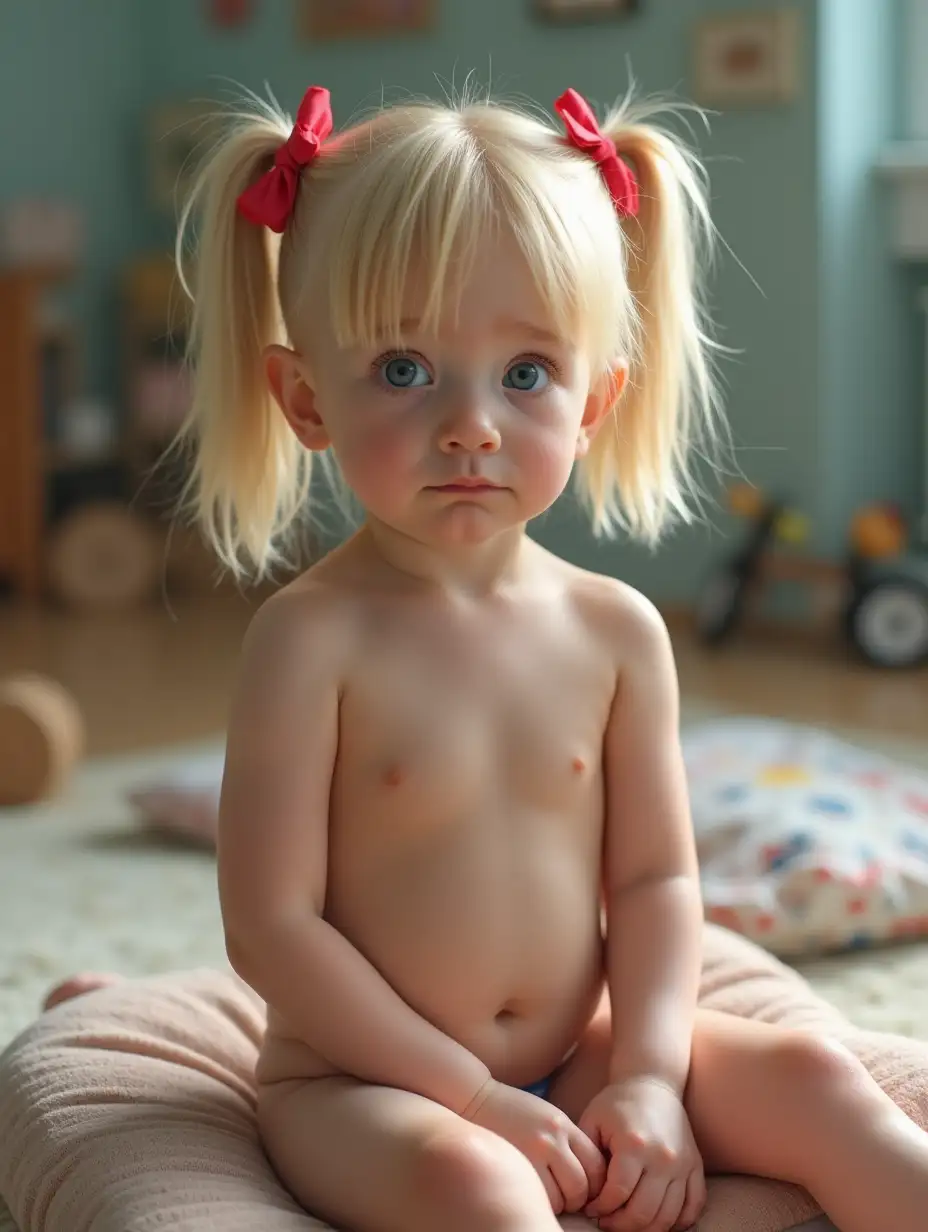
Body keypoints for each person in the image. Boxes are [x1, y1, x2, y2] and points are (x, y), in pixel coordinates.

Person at [45, 82, 928, 1232]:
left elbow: (656, 881)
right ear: (305, 398)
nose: (471, 423)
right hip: (365, 1084)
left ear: (596, 396)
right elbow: (272, 926)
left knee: (822, 1085)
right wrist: (468, 1096)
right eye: (404, 370)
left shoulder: (618, 629)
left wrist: (650, 1074)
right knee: (479, 1186)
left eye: (524, 374)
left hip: (579, 1051)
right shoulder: (311, 639)